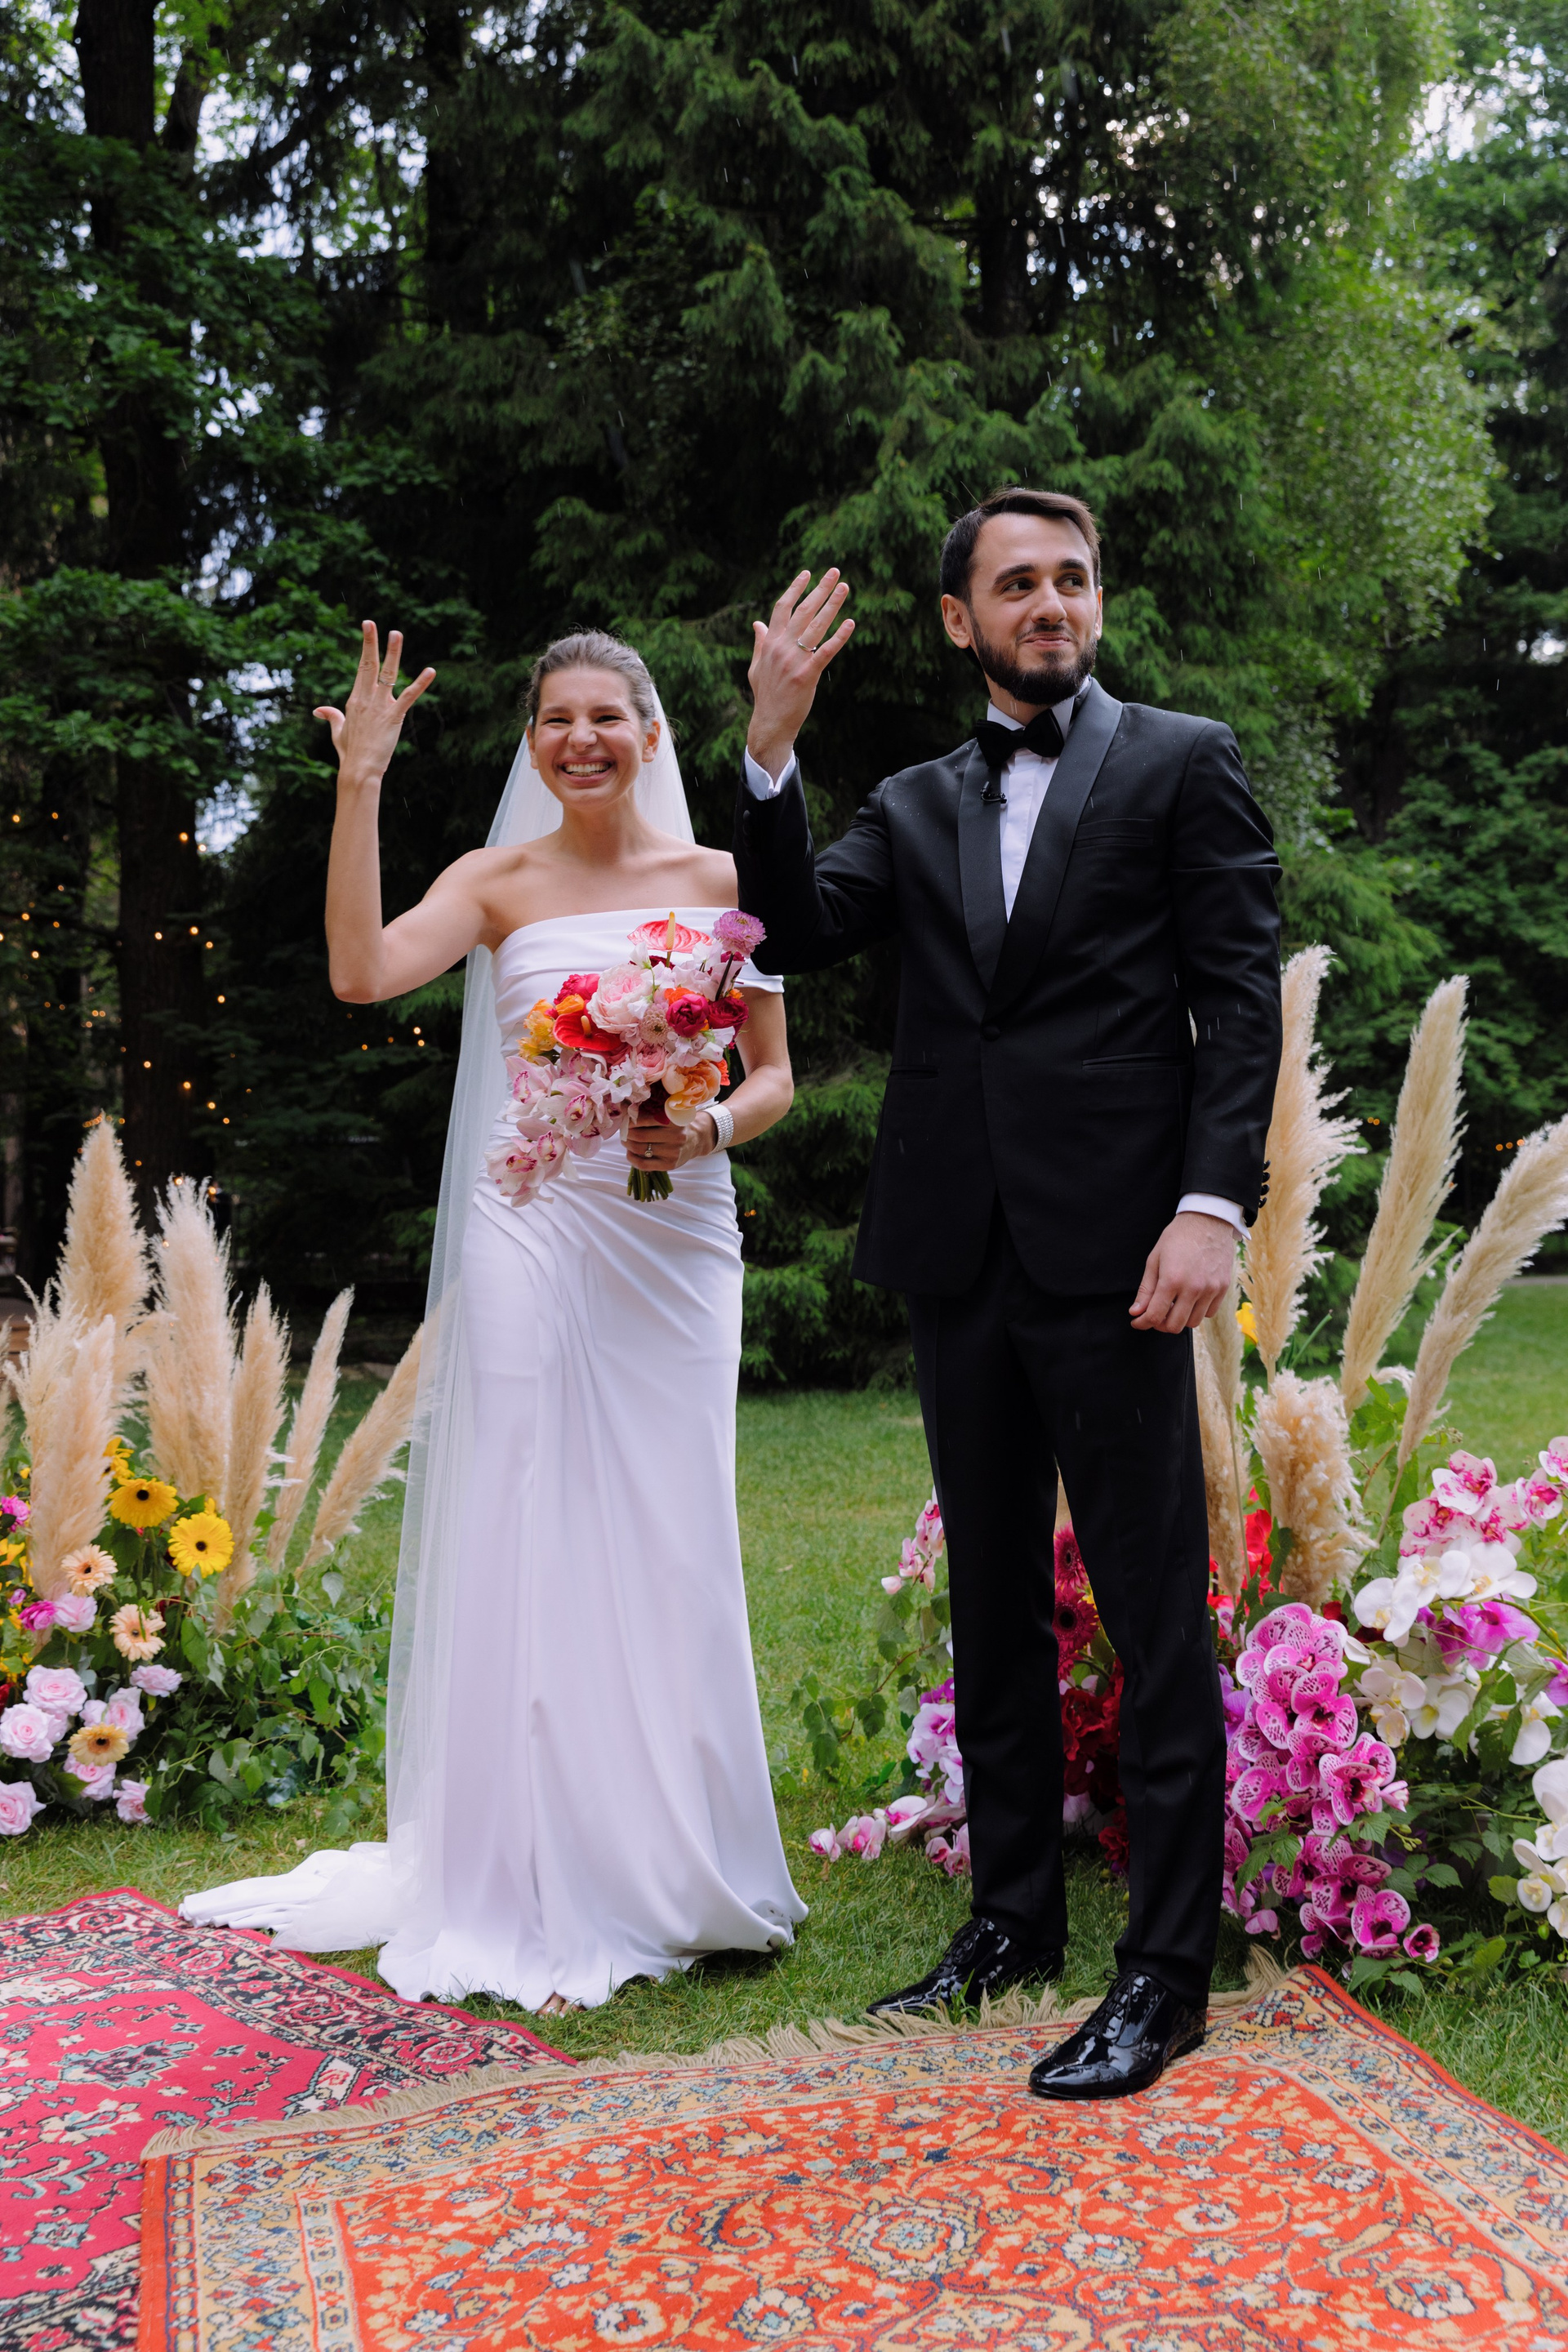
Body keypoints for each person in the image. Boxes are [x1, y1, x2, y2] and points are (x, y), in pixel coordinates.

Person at [734, 488, 1281, 2098]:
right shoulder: (912, 799)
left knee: (1150, 1607)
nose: (1052, 603)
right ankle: (1012, 1922)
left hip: (1124, 1258)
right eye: (1019, 583)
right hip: (957, 1249)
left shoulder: (1182, 762)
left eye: (1074, 578)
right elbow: (788, 930)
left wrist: (1209, 1209)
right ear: (959, 620)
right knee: (992, 1603)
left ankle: (1165, 1975)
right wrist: (769, 750)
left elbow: (1238, 999)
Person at [184, 622, 805, 2014]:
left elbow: (772, 1075)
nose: (581, 739)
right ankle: (518, 1861)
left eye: (606, 716)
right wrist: (361, 782)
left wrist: (703, 1126)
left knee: (669, 1518)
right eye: (555, 720)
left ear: (651, 734)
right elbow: (360, 971)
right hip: (531, 1222)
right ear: (532, 743)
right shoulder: (493, 882)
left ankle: (670, 1854)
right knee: (526, 1498)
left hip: (675, 1235)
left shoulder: (727, 882)